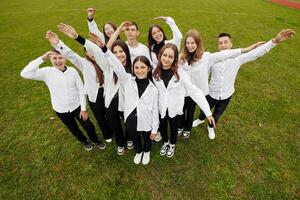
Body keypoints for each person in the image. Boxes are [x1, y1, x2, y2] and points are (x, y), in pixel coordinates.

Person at [192, 29, 295, 139]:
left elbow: (256, 53)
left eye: (226, 42)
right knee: (205, 109)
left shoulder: (238, 58)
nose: (223, 45)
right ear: (218, 46)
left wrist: (274, 41)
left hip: (227, 94)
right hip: (212, 93)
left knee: (217, 114)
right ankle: (200, 119)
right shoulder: (213, 59)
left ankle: (210, 127)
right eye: (220, 43)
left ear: (231, 44)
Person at [20, 33, 106, 151]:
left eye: (60, 58)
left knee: (89, 126)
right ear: (50, 59)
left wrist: (83, 109)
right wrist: (42, 58)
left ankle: (95, 139)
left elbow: (81, 91)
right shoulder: (46, 72)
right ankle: (84, 141)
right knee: (73, 129)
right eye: (54, 58)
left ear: (65, 59)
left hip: (77, 107)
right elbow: (25, 73)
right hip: (60, 109)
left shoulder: (73, 72)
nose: (58, 61)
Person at [58, 23, 133, 155]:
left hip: (126, 102)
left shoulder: (132, 69)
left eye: (121, 51)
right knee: (115, 125)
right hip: (110, 101)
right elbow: (99, 53)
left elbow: (119, 68)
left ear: (127, 52)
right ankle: (120, 143)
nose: (118, 55)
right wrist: (77, 38)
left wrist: (104, 47)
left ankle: (129, 138)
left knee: (128, 122)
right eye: (115, 52)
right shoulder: (107, 66)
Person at [179, 29, 264, 138]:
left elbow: (230, 54)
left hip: (211, 93)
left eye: (193, 43)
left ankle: (203, 128)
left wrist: (249, 48)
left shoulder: (209, 57)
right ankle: (193, 122)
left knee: (206, 113)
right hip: (194, 91)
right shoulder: (184, 56)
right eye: (188, 43)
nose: (190, 45)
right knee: (189, 111)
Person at [90, 33, 159, 164]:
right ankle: (138, 151)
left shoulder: (153, 89)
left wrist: (155, 128)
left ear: (149, 69)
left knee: (146, 137)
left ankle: (147, 152)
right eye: (136, 68)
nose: (139, 71)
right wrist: (104, 48)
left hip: (147, 120)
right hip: (130, 118)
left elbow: (155, 109)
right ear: (132, 69)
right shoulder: (127, 79)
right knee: (134, 137)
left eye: (143, 67)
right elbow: (116, 64)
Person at [46, 30, 112, 143]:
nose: (92, 54)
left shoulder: (105, 61)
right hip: (94, 94)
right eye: (88, 51)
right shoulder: (84, 63)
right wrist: (58, 44)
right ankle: (107, 134)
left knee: (110, 114)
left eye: (94, 50)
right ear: (86, 53)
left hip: (108, 92)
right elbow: (71, 55)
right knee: (100, 116)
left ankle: (113, 128)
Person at [152, 43, 215, 158]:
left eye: (170, 57)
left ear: (175, 59)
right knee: (163, 127)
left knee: (174, 127)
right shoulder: (155, 72)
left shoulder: (180, 73)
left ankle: (172, 144)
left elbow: (194, 91)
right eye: (164, 55)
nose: (166, 59)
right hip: (161, 108)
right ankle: (165, 142)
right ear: (160, 55)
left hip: (175, 109)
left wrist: (208, 113)